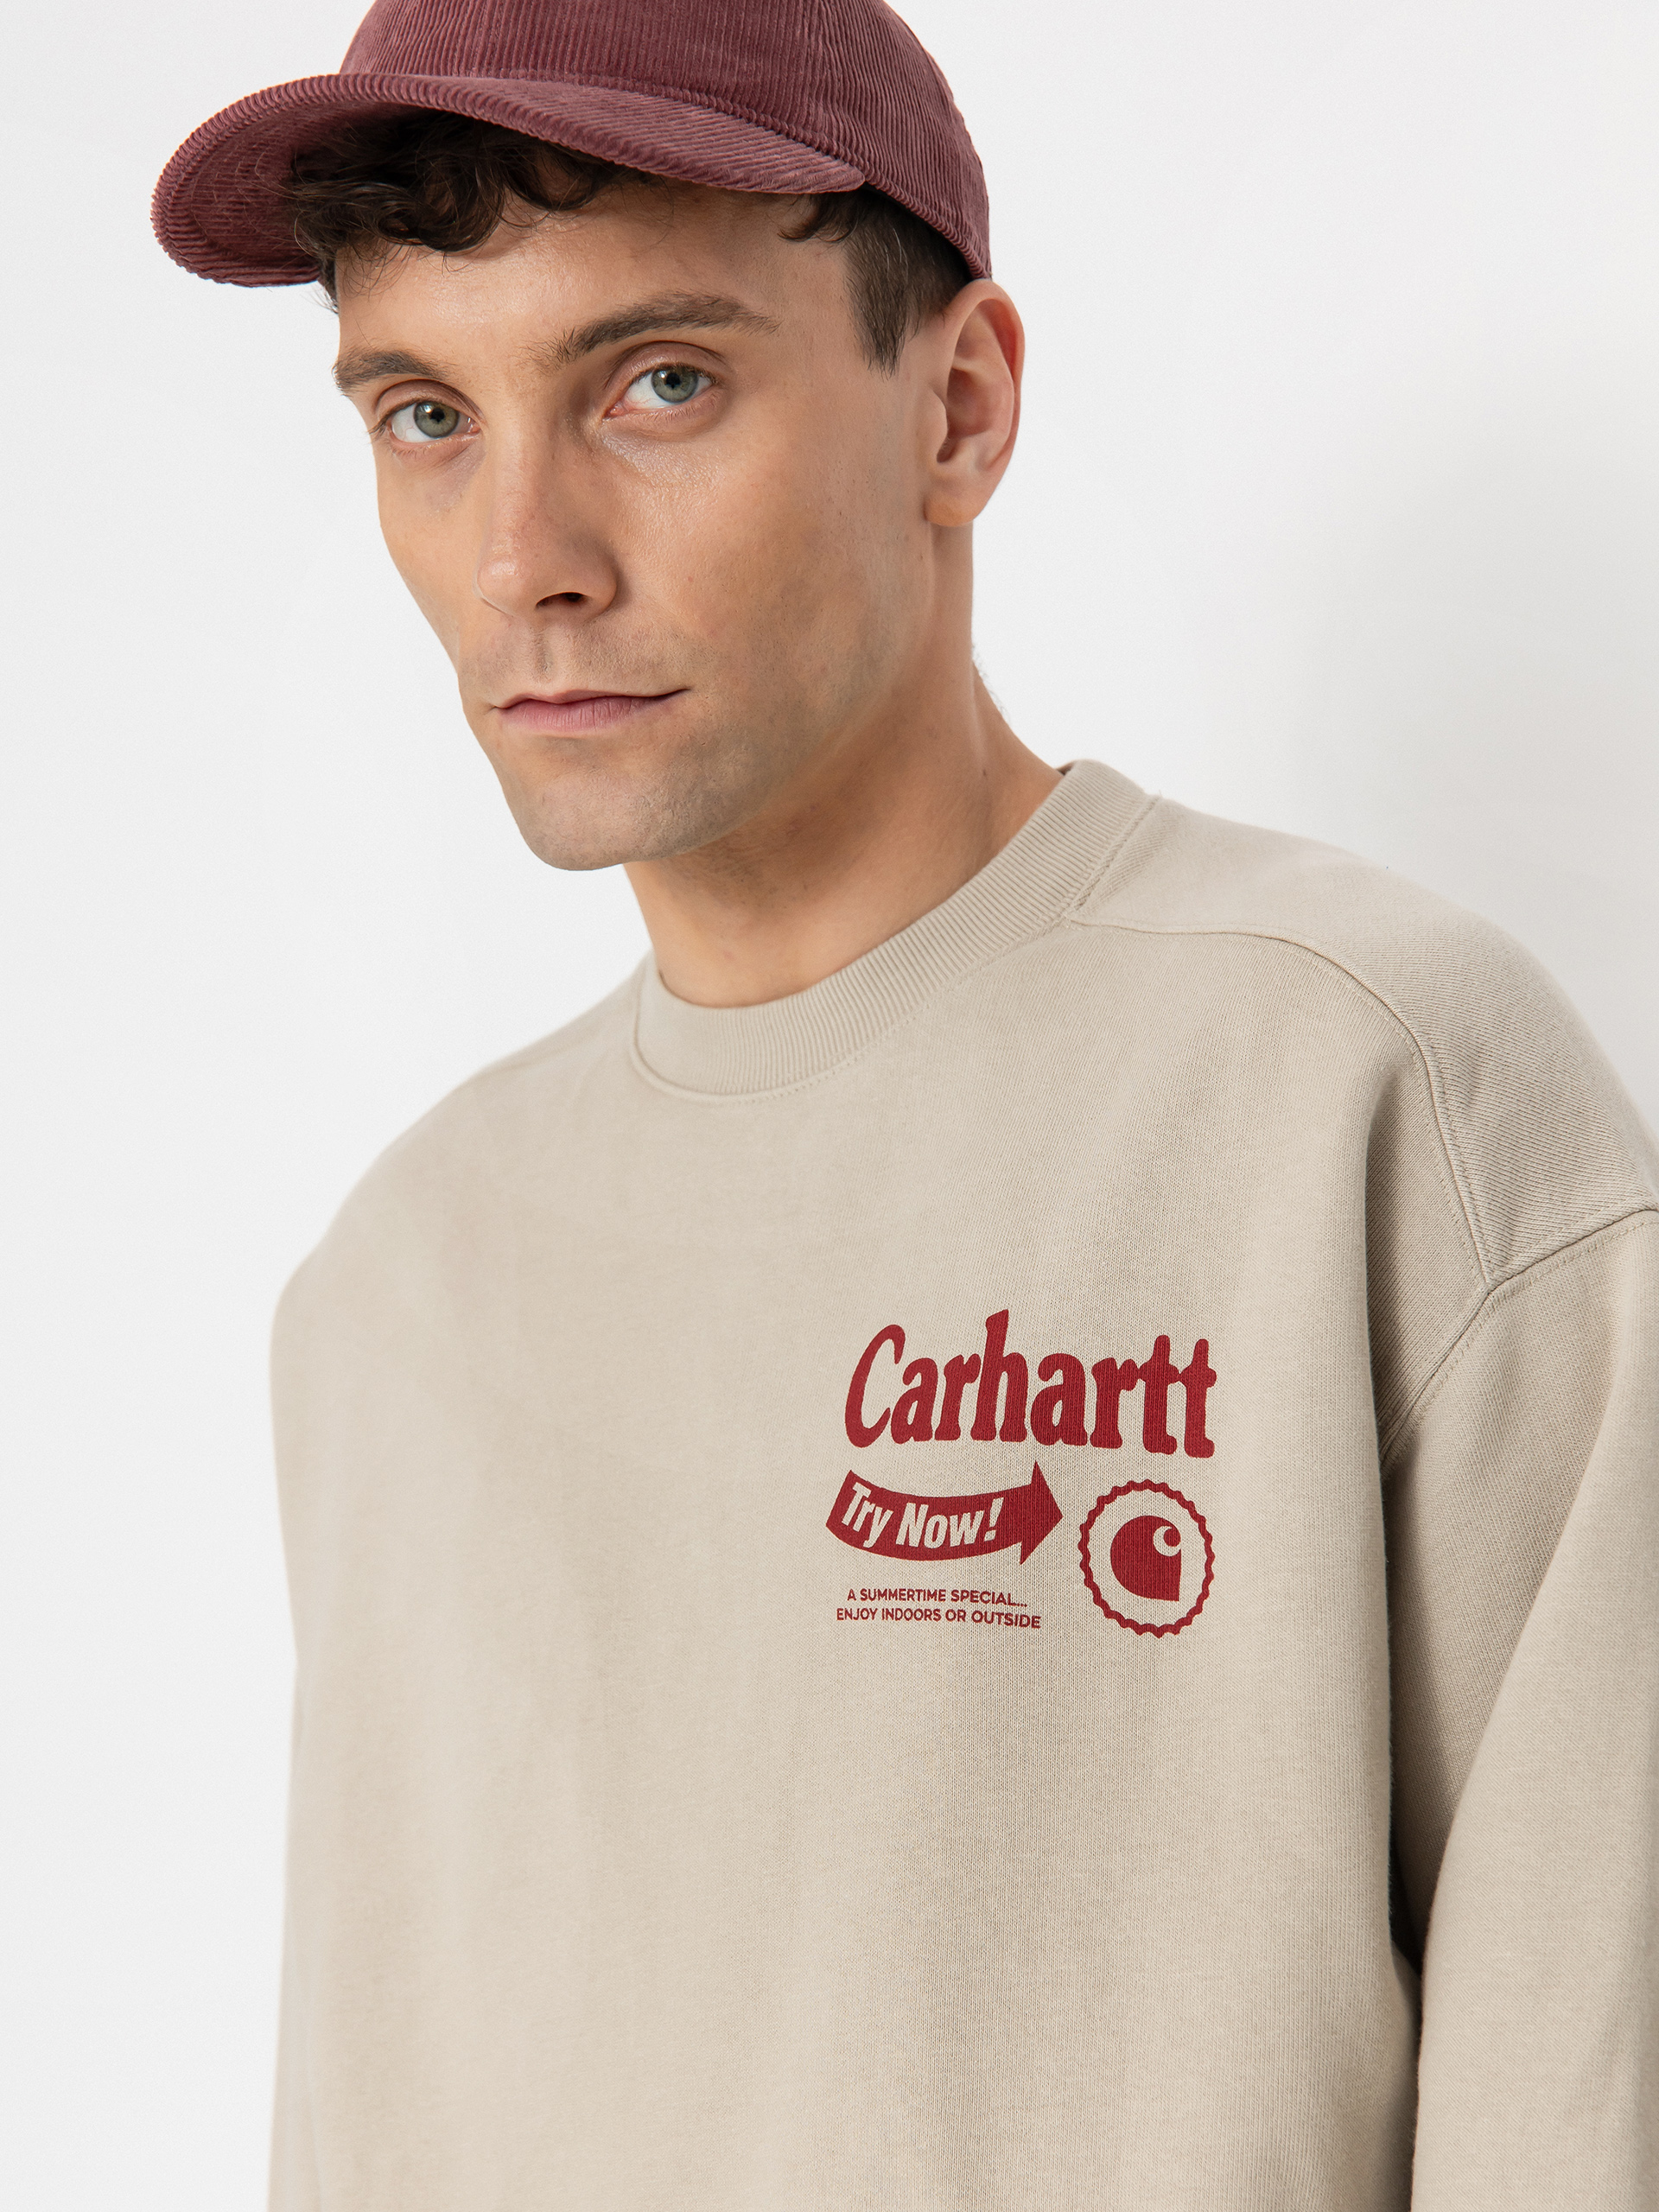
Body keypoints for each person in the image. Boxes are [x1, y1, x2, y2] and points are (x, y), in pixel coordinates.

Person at [153, 3, 1658, 2206]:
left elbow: (1590, 2101)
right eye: (426, 415)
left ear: (958, 407)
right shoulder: (396, 1285)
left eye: (659, 383)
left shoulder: (1372, 1081)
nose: (520, 555)